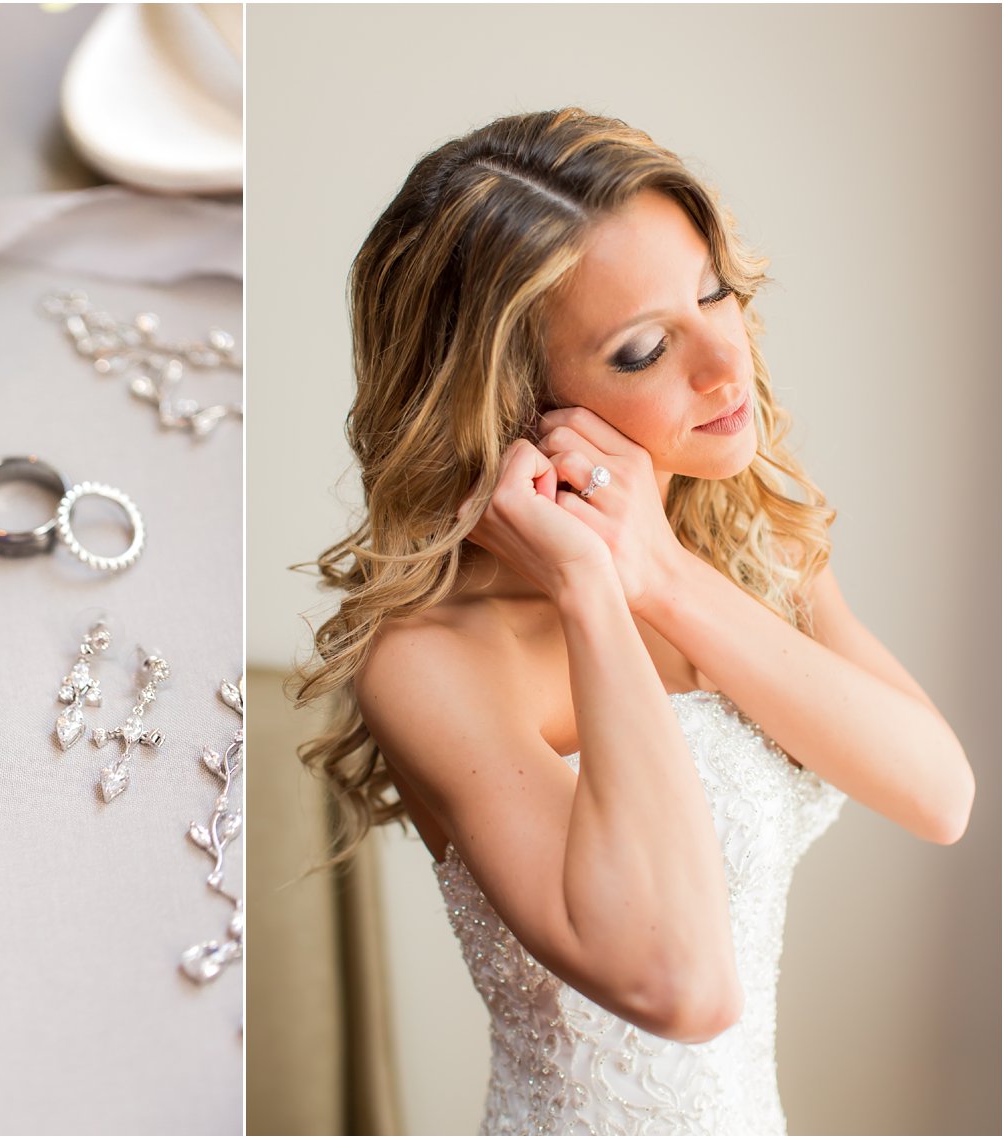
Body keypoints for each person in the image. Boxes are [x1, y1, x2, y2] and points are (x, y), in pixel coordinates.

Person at [291, 108, 974, 1135]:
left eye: (714, 295)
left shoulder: (744, 545)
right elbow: (683, 984)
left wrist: (660, 576)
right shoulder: (428, 660)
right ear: (512, 400)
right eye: (644, 347)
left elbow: (938, 792)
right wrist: (589, 590)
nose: (722, 364)